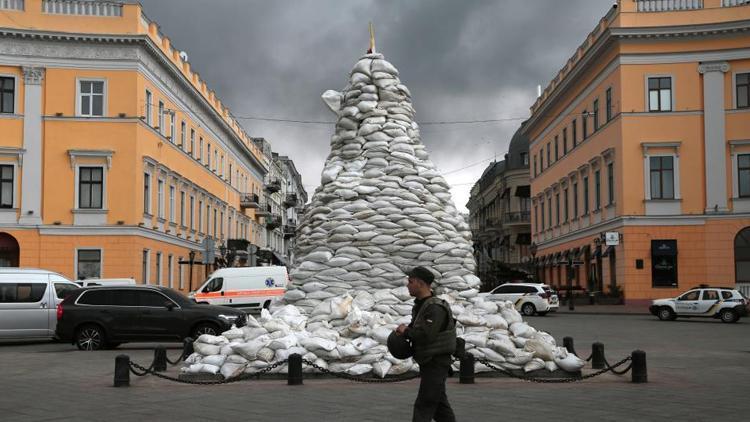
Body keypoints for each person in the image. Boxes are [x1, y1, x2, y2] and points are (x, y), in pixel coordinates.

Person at [395, 266, 457, 422]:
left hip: (436, 362)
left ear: (420, 283)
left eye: (410, 281)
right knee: (439, 407)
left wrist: (406, 331)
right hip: (429, 362)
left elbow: (426, 335)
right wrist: (406, 330)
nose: (407, 285)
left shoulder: (435, 307)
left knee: (424, 405)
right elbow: (417, 329)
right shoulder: (421, 305)